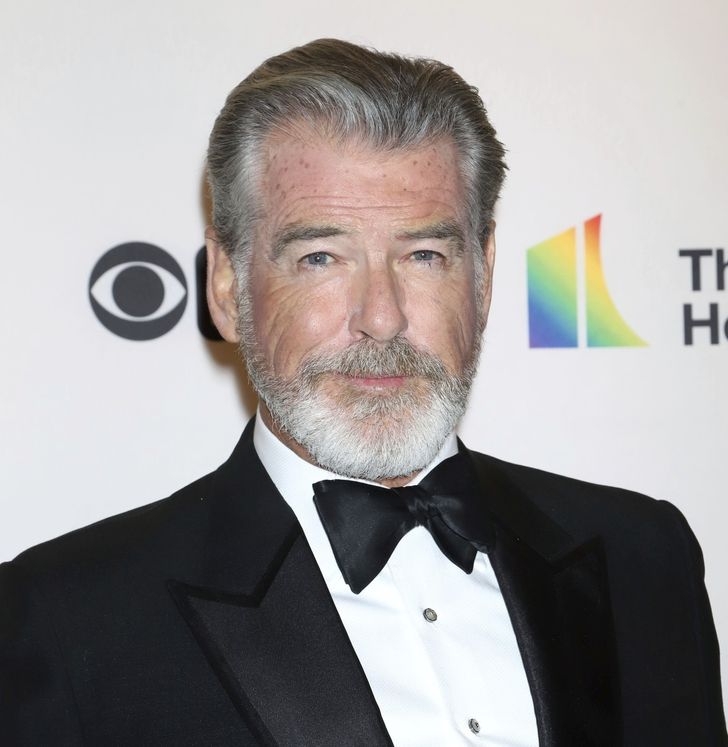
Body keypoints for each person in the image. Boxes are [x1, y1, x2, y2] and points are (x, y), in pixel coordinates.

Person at [1, 38, 725, 747]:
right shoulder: (66, 620)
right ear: (226, 286)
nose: (382, 316)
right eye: (321, 257)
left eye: (424, 254)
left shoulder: (644, 557)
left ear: (483, 276)